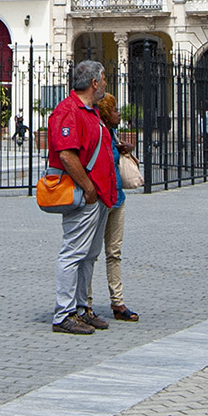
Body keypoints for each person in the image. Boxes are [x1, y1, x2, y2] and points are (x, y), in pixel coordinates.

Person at [48, 59, 119, 334]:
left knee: (89, 254)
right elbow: (67, 154)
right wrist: (88, 187)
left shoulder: (89, 112)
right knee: (73, 253)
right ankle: (63, 313)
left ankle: (81, 307)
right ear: (94, 83)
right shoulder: (68, 111)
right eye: (103, 80)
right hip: (84, 194)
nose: (105, 85)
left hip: (98, 195)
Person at [95, 92, 139, 323]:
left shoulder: (112, 134)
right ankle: (87, 303)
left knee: (114, 252)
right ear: (105, 114)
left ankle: (117, 302)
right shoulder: (98, 132)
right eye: (115, 110)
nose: (119, 113)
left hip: (117, 198)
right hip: (100, 200)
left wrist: (125, 149)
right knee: (90, 254)